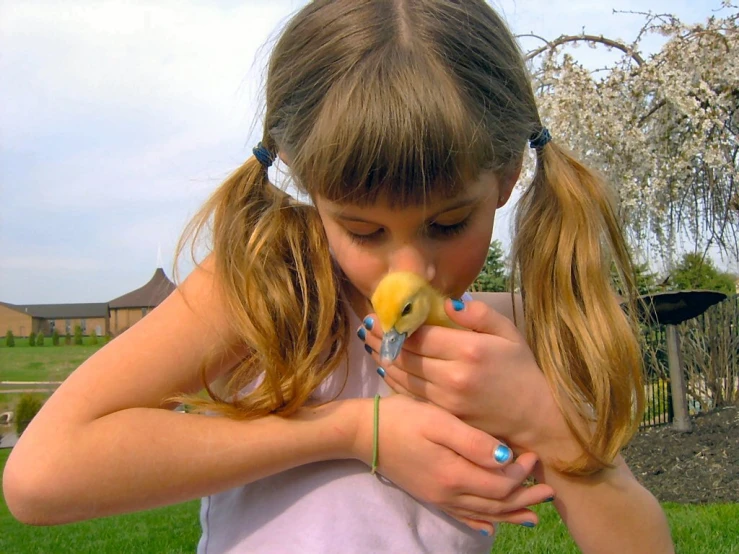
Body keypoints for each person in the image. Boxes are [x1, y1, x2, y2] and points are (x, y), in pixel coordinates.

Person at [3, 1, 674, 552]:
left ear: (505, 178)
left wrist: (548, 425)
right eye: (362, 230)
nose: (409, 269)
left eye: (446, 224)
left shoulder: (501, 345)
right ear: (307, 180)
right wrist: (357, 431)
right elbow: (40, 478)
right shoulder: (268, 292)